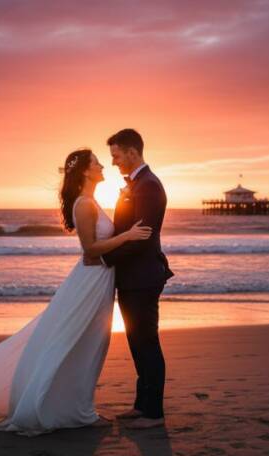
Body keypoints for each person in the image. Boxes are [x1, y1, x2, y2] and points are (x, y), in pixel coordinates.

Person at [0, 148, 152, 436]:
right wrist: (127, 236)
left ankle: (78, 409)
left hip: (99, 280)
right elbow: (90, 251)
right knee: (78, 342)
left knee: (90, 344)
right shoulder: (84, 204)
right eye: (97, 162)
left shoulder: (92, 201)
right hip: (89, 280)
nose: (103, 166)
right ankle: (73, 411)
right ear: (86, 171)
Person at [98, 128, 174, 429]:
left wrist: (102, 257)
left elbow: (141, 239)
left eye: (116, 155)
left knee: (147, 342)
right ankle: (141, 407)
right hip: (132, 277)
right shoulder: (137, 185)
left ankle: (154, 413)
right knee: (136, 342)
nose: (114, 162)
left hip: (143, 277)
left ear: (131, 152)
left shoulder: (149, 187)